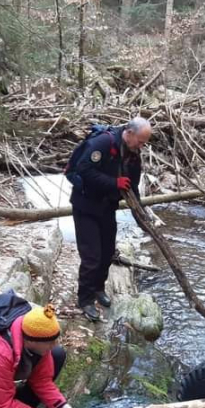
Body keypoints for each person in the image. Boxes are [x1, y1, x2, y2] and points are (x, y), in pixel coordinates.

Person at [69, 117, 152, 322]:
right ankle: (85, 299)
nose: (142, 146)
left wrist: (141, 214)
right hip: (86, 206)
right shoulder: (102, 144)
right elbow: (84, 170)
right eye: (140, 141)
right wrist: (113, 183)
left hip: (107, 208)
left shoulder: (133, 155)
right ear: (129, 133)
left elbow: (132, 185)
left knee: (107, 252)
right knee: (92, 256)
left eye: (144, 142)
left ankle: (98, 288)